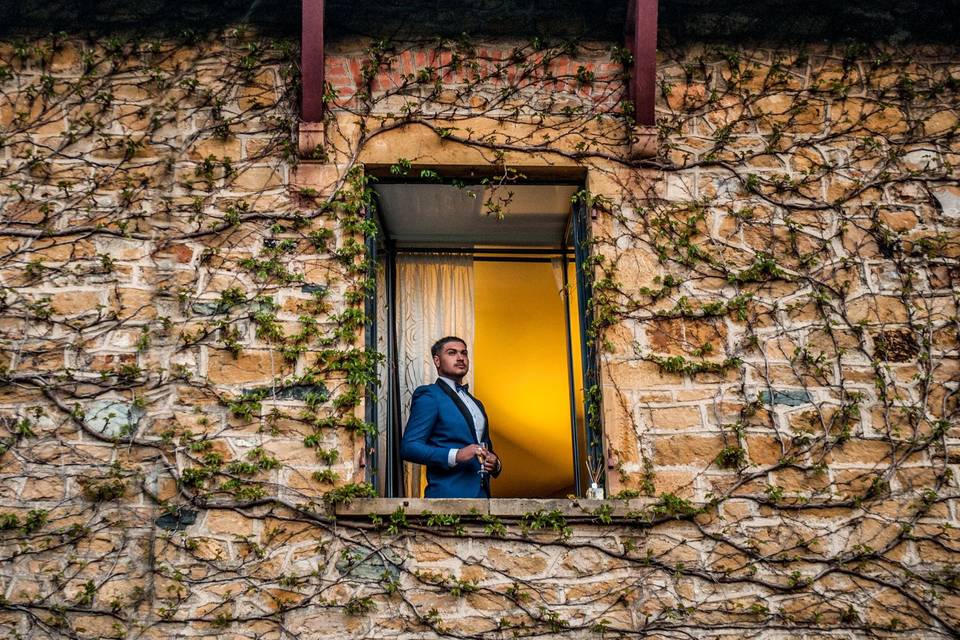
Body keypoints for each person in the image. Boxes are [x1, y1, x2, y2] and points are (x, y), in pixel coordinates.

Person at [399, 336, 501, 498]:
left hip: (483, 498)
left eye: (464, 353)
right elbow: (409, 447)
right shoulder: (429, 395)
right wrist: (456, 454)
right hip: (446, 498)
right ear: (437, 361)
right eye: (452, 353)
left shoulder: (477, 403)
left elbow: (486, 447)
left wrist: (495, 463)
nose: (460, 358)